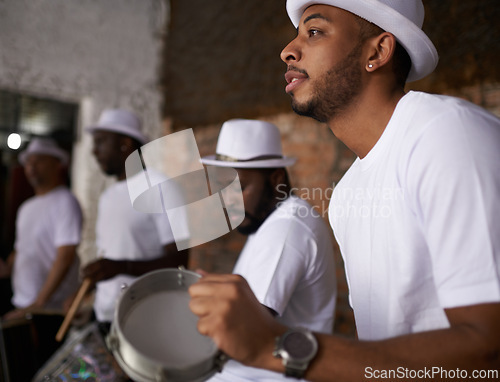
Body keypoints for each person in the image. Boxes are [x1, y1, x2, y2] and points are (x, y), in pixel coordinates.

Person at [189, 1, 500, 381]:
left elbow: (488, 353)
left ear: (377, 52)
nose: (288, 49)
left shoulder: (445, 135)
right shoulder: (349, 190)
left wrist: (280, 347)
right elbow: (383, 348)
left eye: (314, 32)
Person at [200, 119, 336, 381]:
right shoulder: (269, 221)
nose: (227, 202)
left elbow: (242, 330)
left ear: (275, 180)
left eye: (239, 187)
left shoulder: (286, 228)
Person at [81, 108, 189, 330]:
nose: (94, 151)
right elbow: (109, 256)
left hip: (143, 321)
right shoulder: (108, 195)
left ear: (124, 144)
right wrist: (86, 293)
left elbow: (179, 261)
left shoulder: (161, 187)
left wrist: (121, 267)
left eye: (101, 142)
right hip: (105, 316)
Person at [0, 138, 82, 319]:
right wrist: (8, 266)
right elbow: (22, 248)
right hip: (22, 302)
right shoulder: (26, 207)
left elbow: (65, 256)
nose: (32, 167)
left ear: (57, 164)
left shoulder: (65, 201)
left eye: (39, 161)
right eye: (29, 162)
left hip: (48, 309)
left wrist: (38, 303)